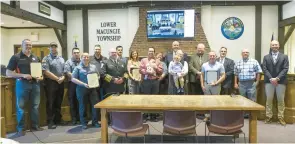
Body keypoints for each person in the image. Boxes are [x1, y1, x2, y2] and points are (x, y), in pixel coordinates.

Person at [6, 39, 43, 136]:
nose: (28, 47)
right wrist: (22, 75)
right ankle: (21, 129)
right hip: (22, 84)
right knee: (21, 107)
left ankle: (35, 126)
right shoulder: (16, 57)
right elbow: (8, 72)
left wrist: (40, 76)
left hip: (35, 84)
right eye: (26, 45)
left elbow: (40, 72)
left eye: (30, 45)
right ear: (21, 46)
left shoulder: (36, 57)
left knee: (35, 106)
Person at [262, 40, 289, 126]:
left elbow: (285, 68)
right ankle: (268, 117)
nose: (274, 46)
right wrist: (271, 78)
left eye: (276, 45)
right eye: (273, 45)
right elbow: (264, 69)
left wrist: (277, 78)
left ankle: (281, 117)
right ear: (270, 46)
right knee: (269, 100)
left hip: (280, 81)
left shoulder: (284, 56)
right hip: (269, 82)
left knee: (281, 100)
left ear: (279, 46)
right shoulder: (266, 57)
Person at [71, 53, 101, 129]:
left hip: (92, 89)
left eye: (87, 57)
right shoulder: (77, 68)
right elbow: (73, 79)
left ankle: (95, 122)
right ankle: (83, 123)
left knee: (95, 106)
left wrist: (96, 80)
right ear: (81, 58)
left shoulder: (93, 67)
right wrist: (83, 84)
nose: (86, 58)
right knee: (82, 106)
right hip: (81, 89)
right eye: (84, 57)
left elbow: (98, 75)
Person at [42, 42, 66, 129]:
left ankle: (58, 119)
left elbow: (64, 70)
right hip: (51, 83)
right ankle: (50, 121)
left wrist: (63, 77)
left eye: (55, 47)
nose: (53, 49)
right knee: (51, 102)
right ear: (49, 48)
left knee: (59, 102)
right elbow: (45, 71)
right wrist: (57, 78)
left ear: (57, 48)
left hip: (60, 82)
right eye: (52, 47)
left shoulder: (61, 59)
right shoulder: (46, 58)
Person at [140, 47, 163, 121]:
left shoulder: (157, 61)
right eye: (150, 51)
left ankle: (153, 115)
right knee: (146, 98)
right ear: (147, 52)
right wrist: (147, 72)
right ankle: (146, 115)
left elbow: (161, 71)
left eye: (152, 51)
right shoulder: (144, 60)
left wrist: (156, 68)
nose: (151, 52)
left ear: (154, 52)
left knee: (154, 98)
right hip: (146, 81)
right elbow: (140, 69)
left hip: (155, 81)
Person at [89, 44, 108, 122]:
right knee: (95, 102)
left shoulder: (105, 59)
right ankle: (95, 119)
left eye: (98, 49)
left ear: (100, 50)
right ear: (94, 50)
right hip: (94, 83)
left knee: (104, 101)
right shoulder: (90, 59)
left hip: (104, 83)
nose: (97, 50)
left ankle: (104, 118)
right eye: (96, 49)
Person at [64, 47, 81, 125]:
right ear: (72, 54)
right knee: (72, 101)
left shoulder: (82, 61)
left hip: (81, 84)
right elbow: (68, 73)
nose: (76, 54)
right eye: (75, 53)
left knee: (80, 101)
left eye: (78, 52)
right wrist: (77, 77)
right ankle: (74, 119)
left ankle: (80, 118)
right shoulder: (68, 62)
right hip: (72, 84)